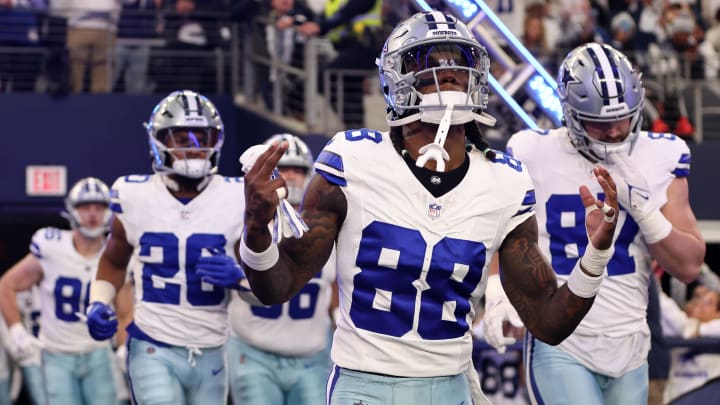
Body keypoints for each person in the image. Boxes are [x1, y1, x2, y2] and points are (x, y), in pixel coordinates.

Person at [240, 11, 619, 405]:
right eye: (430, 61)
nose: (450, 71)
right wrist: (255, 227)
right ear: (396, 78)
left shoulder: (505, 182)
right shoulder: (353, 160)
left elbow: (549, 322)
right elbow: (278, 286)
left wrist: (596, 255)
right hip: (364, 387)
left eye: (460, 61)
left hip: (450, 387)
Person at [490, 42, 705, 404]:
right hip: (561, 338)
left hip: (631, 341)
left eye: (622, 118)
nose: (615, 131)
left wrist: (644, 210)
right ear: (569, 113)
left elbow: (689, 266)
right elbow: (503, 234)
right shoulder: (533, 152)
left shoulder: (660, 156)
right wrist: (499, 293)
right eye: (600, 122)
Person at [84, 90, 256, 405]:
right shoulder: (133, 195)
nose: (194, 147)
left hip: (213, 347)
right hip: (153, 343)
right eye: (182, 138)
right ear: (159, 141)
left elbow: (267, 294)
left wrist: (242, 277)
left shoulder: (237, 197)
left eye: (202, 137)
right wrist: (98, 302)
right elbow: (114, 261)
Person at [228, 133, 337, 405]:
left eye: (297, 170)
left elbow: (335, 286)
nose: (289, 176)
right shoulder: (239, 219)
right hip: (254, 350)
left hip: (311, 355)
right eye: (281, 168)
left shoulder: (325, 226)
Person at [0, 177, 118, 405]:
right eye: (85, 207)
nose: (92, 214)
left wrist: (123, 347)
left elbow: (124, 305)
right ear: (72, 210)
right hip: (56, 353)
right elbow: (7, 284)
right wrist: (15, 329)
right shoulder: (51, 246)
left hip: (99, 352)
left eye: (99, 207)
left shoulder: (116, 251)